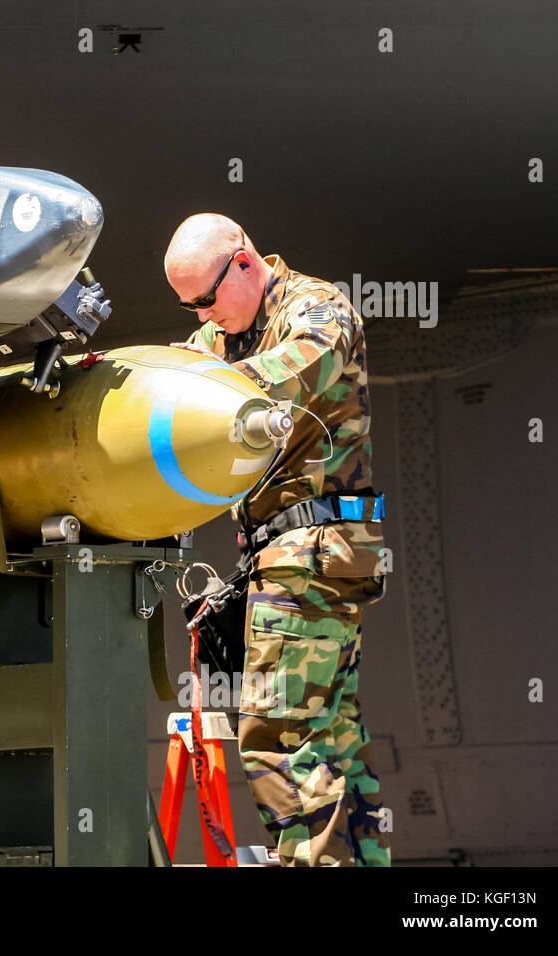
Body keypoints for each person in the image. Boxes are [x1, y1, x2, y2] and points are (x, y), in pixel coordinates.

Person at [163, 213, 391, 867]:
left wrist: (195, 381)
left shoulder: (318, 308)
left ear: (244, 262)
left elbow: (286, 379)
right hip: (275, 554)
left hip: (316, 545)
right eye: (190, 307)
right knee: (332, 737)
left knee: (279, 728)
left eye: (207, 298)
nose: (203, 315)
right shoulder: (218, 335)